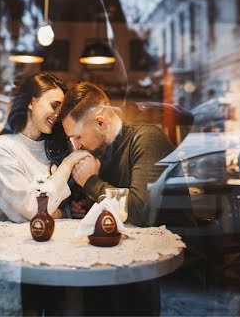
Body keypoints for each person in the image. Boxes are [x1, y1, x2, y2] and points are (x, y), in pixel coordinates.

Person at [58, 81, 175, 226]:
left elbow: (142, 212)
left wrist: (90, 182)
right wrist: (87, 205)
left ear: (100, 123)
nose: (76, 145)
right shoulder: (99, 152)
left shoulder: (148, 139)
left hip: (175, 244)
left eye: (78, 137)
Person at [0, 72, 90, 223]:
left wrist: (70, 210)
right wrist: (67, 164)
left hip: (52, 241)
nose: (58, 114)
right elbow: (32, 211)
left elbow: (50, 209)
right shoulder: (0, 148)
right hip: (9, 243)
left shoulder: (57, 147)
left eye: (62, 110)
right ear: (31, 102)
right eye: (54, 106)